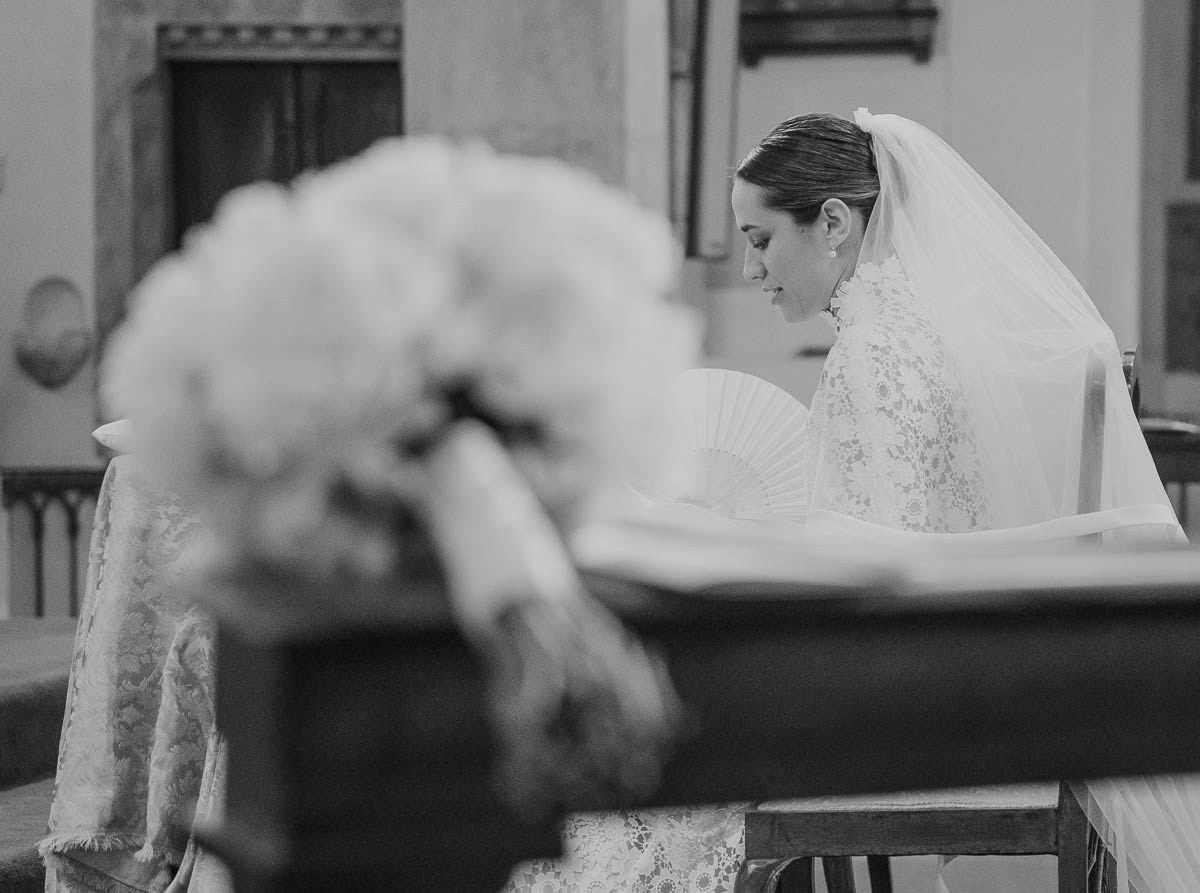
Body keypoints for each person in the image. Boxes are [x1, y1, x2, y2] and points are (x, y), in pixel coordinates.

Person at [504, 109, 1190, 892]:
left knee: (641, 749)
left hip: (902, 692)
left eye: (761, 240)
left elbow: (873, 569)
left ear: (832, 222)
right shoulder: (918, 331)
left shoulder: (872, 352)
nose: (751, 270)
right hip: (949, 663)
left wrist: (713, 551)